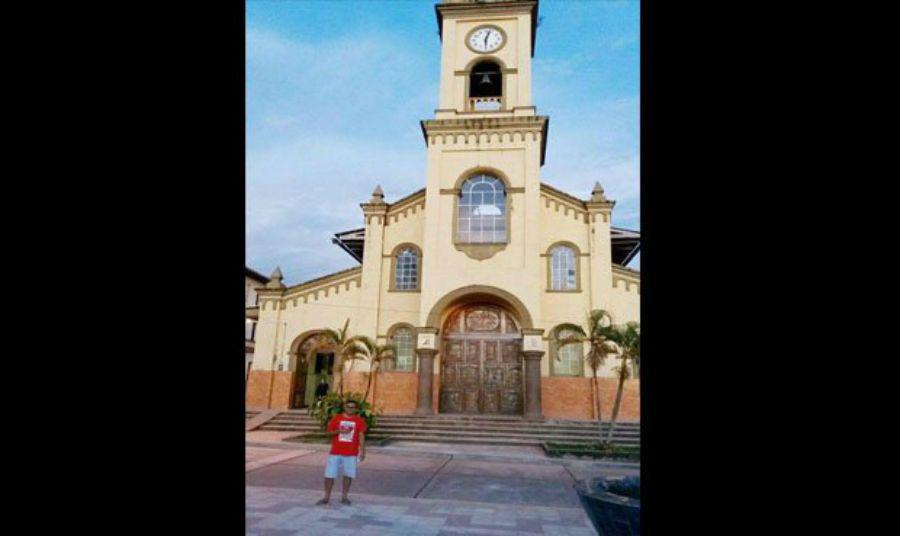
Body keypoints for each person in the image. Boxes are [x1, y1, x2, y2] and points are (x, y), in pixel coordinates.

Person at [317, 400, 367, 506]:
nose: (350, 409)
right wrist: (339, 431)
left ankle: (344, 497)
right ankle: (326, 497)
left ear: (356, 409)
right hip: (336, 451)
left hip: (351, 452)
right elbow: (329, 433)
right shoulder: (337, 418)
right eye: (348, 406)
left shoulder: (359, 420)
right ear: (344, 407)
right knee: (329, 474)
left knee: (348, 475)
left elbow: (361, 435)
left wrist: (362, 450)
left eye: (353, 407)